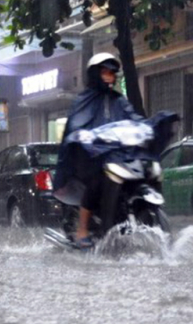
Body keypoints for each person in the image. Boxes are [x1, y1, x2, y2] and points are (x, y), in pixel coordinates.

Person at [53, 53, 143, 248]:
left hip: (118, 155)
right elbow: (76, 124)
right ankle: (82, 229)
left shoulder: (119, 100)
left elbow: (133, 118)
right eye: (104, 72)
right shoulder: (83, 100)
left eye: (112, 73)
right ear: (95, 74)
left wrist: (146, 127)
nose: (109, 76)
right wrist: (84, 136)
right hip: (91, 158)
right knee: (97, 180)